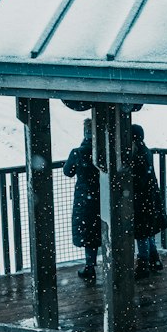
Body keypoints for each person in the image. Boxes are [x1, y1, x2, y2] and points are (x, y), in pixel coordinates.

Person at [63, 120, 101, 282]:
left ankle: (90, 266)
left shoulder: (78, 152)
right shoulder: (102, 150)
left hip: (84, 199)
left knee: (89, 233)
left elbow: (68, 172)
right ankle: (113, 262)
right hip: (103, 197)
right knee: (103, 229)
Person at [131, 124, 167, 278]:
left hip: (141, 201)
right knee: (148, 230)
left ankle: (143, 264)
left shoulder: (136, 155)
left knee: (141, 232)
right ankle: (155, 260)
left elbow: (138, 181)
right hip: (151, 198)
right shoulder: (146, 151)